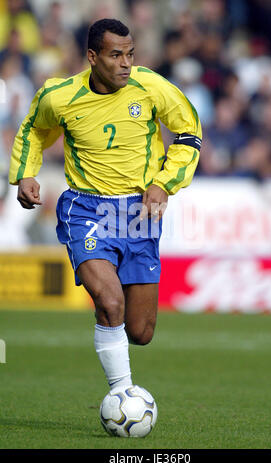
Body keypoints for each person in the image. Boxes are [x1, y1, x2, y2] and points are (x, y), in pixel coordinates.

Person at [9, 19, 202, 392]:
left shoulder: (151, 86)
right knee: (110, 301)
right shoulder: (60, 95)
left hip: (140, 214)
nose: (126, 63)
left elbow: (190, 129)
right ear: (92, 57)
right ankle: (122, 393)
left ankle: (116, 352)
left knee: (141, 331)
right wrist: (26, 174)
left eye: (130, 54)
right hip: (86, 209)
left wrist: (165, 182)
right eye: (116, 55)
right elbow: (33, 129)